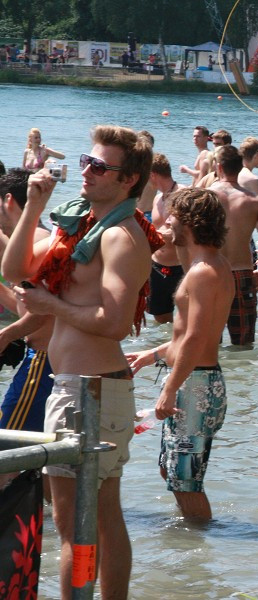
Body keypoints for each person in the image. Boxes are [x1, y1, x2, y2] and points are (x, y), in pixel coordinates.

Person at [3, 125, 162, 599]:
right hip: (83, 385)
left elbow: (114, 323)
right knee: (102, 516)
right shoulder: (81, 225)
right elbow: (14, 270)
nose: (86, 172)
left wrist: (52, 308)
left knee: (75, 525)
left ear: (129, 179)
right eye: (86, 162)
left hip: (89, 388)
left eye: (99, 167)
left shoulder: (120, 237)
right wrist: (33, 205)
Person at [125, 188, 233, 521]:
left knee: (185, 481)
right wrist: (153, 355)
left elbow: (198, 336)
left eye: (172, 216)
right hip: (196, 379)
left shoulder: (202, 272)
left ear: (189, 222)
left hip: (195, 386)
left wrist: (171, 387)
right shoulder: (209, 265)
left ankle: (201, 547)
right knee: (171, 472)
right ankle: (187, 545)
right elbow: (191, 335)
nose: (166, 221)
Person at [208, 145, 258, 346]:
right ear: (240, 168)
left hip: (211, 272)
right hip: (242, 275)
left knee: (209, 341)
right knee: (244, 345)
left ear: (219, 167)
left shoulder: (205, 196)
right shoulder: (254, 201)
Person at [0, 169, 53, 436]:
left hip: (43, 361)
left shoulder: (38, 241)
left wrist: (6, 335)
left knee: (6, 444)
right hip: (41, 359)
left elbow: (44, 313)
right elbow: (25, 306)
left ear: (7, 201)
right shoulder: (33, 238)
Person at [145, 154, 184, 324]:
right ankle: (160, 348)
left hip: (179, 266)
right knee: (161, 318)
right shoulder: (157, 198)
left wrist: (148, 233)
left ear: (153, 174)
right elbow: (157, 230)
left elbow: (180, 232)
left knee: (185, 316)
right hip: (157, 266)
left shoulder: (183, 194)